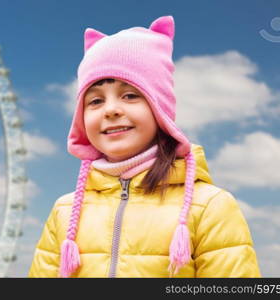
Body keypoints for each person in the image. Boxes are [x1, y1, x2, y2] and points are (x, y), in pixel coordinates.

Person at [28, 15, 261, 278]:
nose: (111, 110)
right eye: (95, 101)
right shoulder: (65, 211)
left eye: (130, 95)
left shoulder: (210, 206)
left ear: (160, 108)